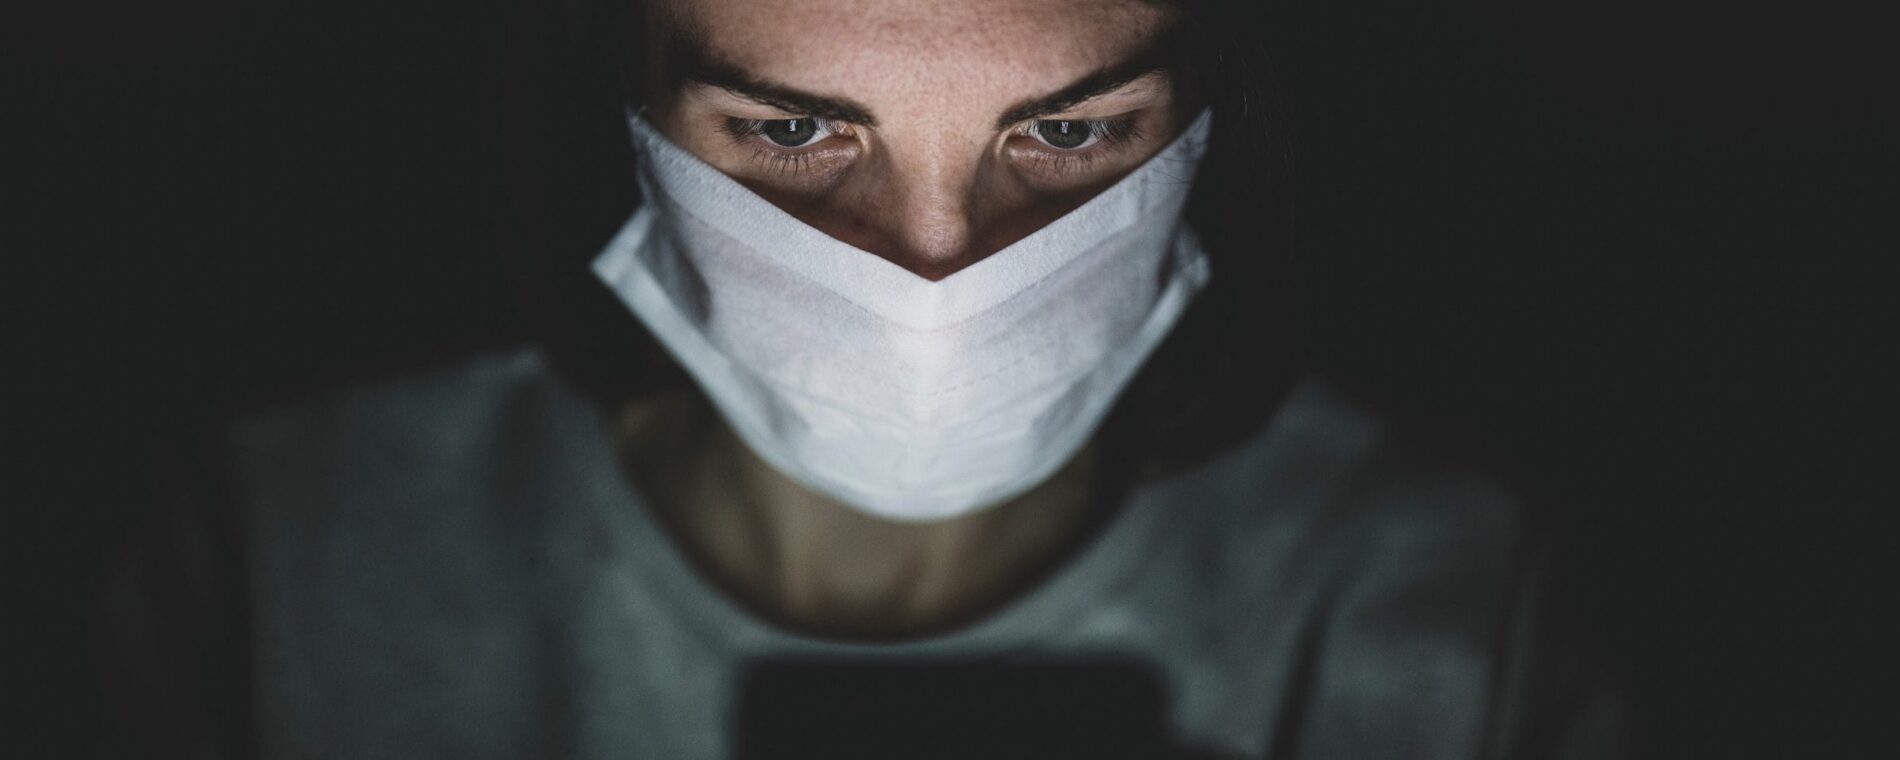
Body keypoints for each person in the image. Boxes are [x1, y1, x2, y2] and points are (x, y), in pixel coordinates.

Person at [101, 1, 1623, 757]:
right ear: (622, 112)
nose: (936, 267)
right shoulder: (288, 553)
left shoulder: (1437, 605)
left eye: (1074, 136)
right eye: (789, 136)